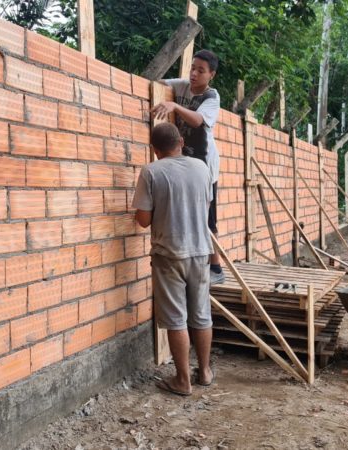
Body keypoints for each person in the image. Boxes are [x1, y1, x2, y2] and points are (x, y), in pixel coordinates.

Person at [132, 123, 215, 396]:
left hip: (169, 254)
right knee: (201, 314)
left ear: (154, 149)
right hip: (201, 251)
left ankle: (182, 381)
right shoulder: (202, 168)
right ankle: (203, 372)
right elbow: (205, 204)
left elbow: (142, 220)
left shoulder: (151, 171)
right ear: (181, 141)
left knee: (176, 318)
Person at [150, 50, 224, 284]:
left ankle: (216, 268)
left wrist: (174, 107)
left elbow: (198, 120)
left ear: (211, 74)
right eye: (192, 68)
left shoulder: (212, 97)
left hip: (204, 165)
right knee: (190, 214)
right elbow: (157, 82)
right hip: (184, 163)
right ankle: (197, 264)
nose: (194, 74)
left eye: (200, 71)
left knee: (206, 217)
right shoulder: (181, 85)